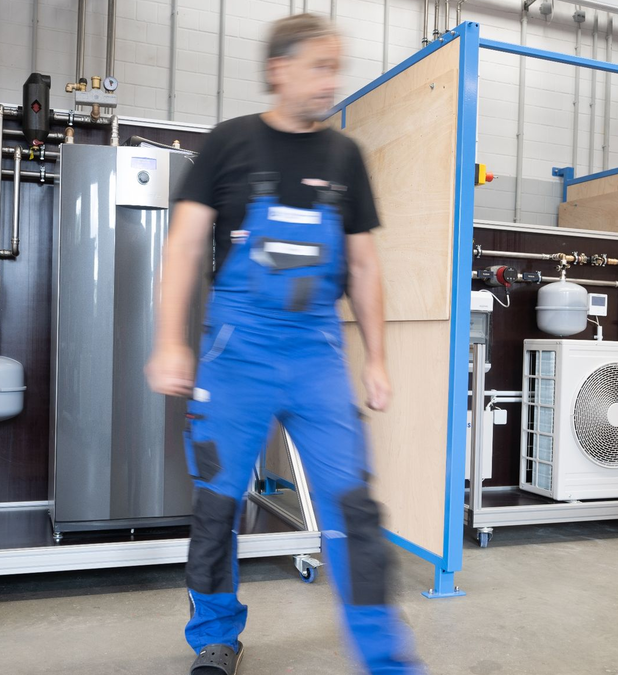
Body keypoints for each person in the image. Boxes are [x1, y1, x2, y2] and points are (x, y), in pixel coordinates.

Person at [145, 12, 426, 675]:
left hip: (316, 356)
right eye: (320, 66)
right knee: (216, 506)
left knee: (354, 505)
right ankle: (215, 636)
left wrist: (379, 357)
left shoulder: (345, 157)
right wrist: (170, 342)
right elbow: (184, 246)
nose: (332, 81)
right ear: (280, 69)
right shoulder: (229, 143)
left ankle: (385, 656)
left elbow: (362, 265)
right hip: (235, 353)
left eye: (336, 67)